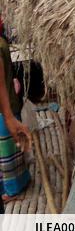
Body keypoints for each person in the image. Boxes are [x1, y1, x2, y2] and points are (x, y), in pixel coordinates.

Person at [0, 23, 29, 205]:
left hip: (5, 109)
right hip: (9, 103)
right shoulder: (2, 41)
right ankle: (21, 180)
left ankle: (13, 188)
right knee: (12, 147)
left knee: (7, 149)